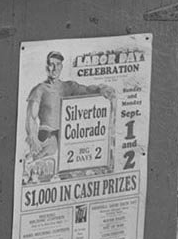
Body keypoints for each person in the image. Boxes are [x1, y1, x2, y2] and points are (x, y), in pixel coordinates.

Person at [23, 51, 114, 183]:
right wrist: (33, 137)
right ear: (47, 67)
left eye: (58, 64)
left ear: (61, 67)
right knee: (46, 161)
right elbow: (31, 116)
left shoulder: (69, 87)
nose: (54, 68)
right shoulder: (40, 89)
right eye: (51, 64)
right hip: (47, 135)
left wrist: (100, 89)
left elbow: (87, 90)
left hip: (66, 137)